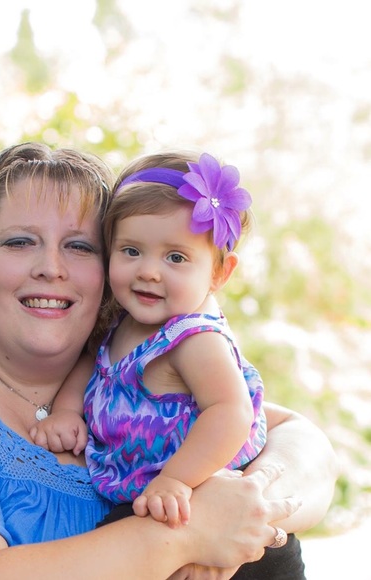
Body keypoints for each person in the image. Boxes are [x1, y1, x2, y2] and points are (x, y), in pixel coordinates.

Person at [0, 142, 337, 580]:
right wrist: (189, 534)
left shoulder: (134, 384)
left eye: (81, 247)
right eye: (20, 242)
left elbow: (298, 439)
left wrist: (249, 500)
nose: (51, 268)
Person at [30, 150, 304, 577]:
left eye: (175, 257)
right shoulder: (124, 323)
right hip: (155, 504)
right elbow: (92, 366)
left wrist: (177, 478)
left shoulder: (193, 339)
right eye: (131, 251)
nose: (149, 272)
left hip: (212, 507)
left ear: (219, 274)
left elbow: (230, 411)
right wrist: (66, 411)